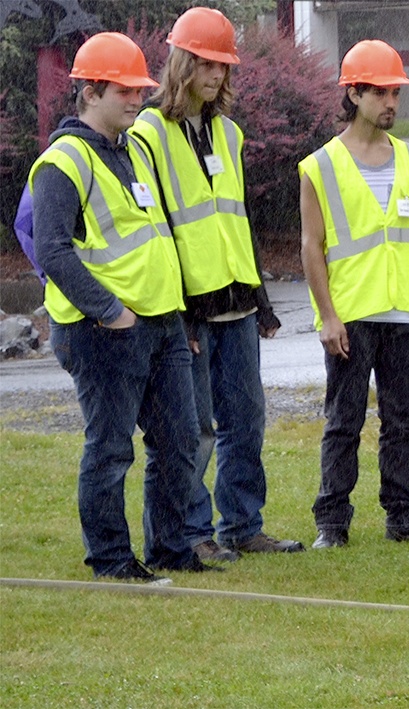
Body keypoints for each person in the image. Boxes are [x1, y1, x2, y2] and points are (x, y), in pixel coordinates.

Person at [34, 31, 212, 582]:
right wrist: (109, 311)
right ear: (90, 91)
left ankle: (170, 549)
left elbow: (154, 236)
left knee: (180, 440)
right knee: (111, 450)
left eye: (141, 89)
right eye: (125, 90)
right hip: (102, 329)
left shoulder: (134, 148)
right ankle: (111, 561)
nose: (138, 99)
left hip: (160, 323)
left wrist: (175, 317)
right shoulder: (63, 160)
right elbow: (52, 251)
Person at [128, 6, 303, 563]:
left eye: (223, 66)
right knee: (193, 429)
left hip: (238, 304)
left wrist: (263, 303)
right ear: (182, 61)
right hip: (192, 311)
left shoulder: (229, 132)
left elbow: (236, 221)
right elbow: (156, 227)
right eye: (206, 64)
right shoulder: (148, 132)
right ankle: (193, 533)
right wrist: (179, 313)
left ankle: (242, 526)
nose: (216, 76)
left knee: (245, 422)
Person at [298, 39, 409, 549]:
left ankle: (404, 519)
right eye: (381, 92)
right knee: (343, 421)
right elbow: (311, 246)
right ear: (354, 93)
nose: (391, 102)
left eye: (395, 93)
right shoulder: (319, 167)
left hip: (406, 311)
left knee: (402, 422)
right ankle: (332, 523)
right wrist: (327, 316)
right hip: (352, 311)